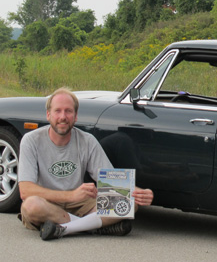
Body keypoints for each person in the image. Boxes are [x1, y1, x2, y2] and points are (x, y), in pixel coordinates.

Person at [18, 87, 154, 241]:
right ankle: (91, 227)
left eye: (68, 111)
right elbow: (25, 190)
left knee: (129, 202)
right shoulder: (31, 140)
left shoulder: (87, 140)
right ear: (48, 115)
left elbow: (110, 179)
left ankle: (65, 228)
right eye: (58, 111)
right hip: (48, 204)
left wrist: (139, 192)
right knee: (31, 205)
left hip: (80, 205)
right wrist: (71, 195)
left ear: (75, 116)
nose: (63, 117)